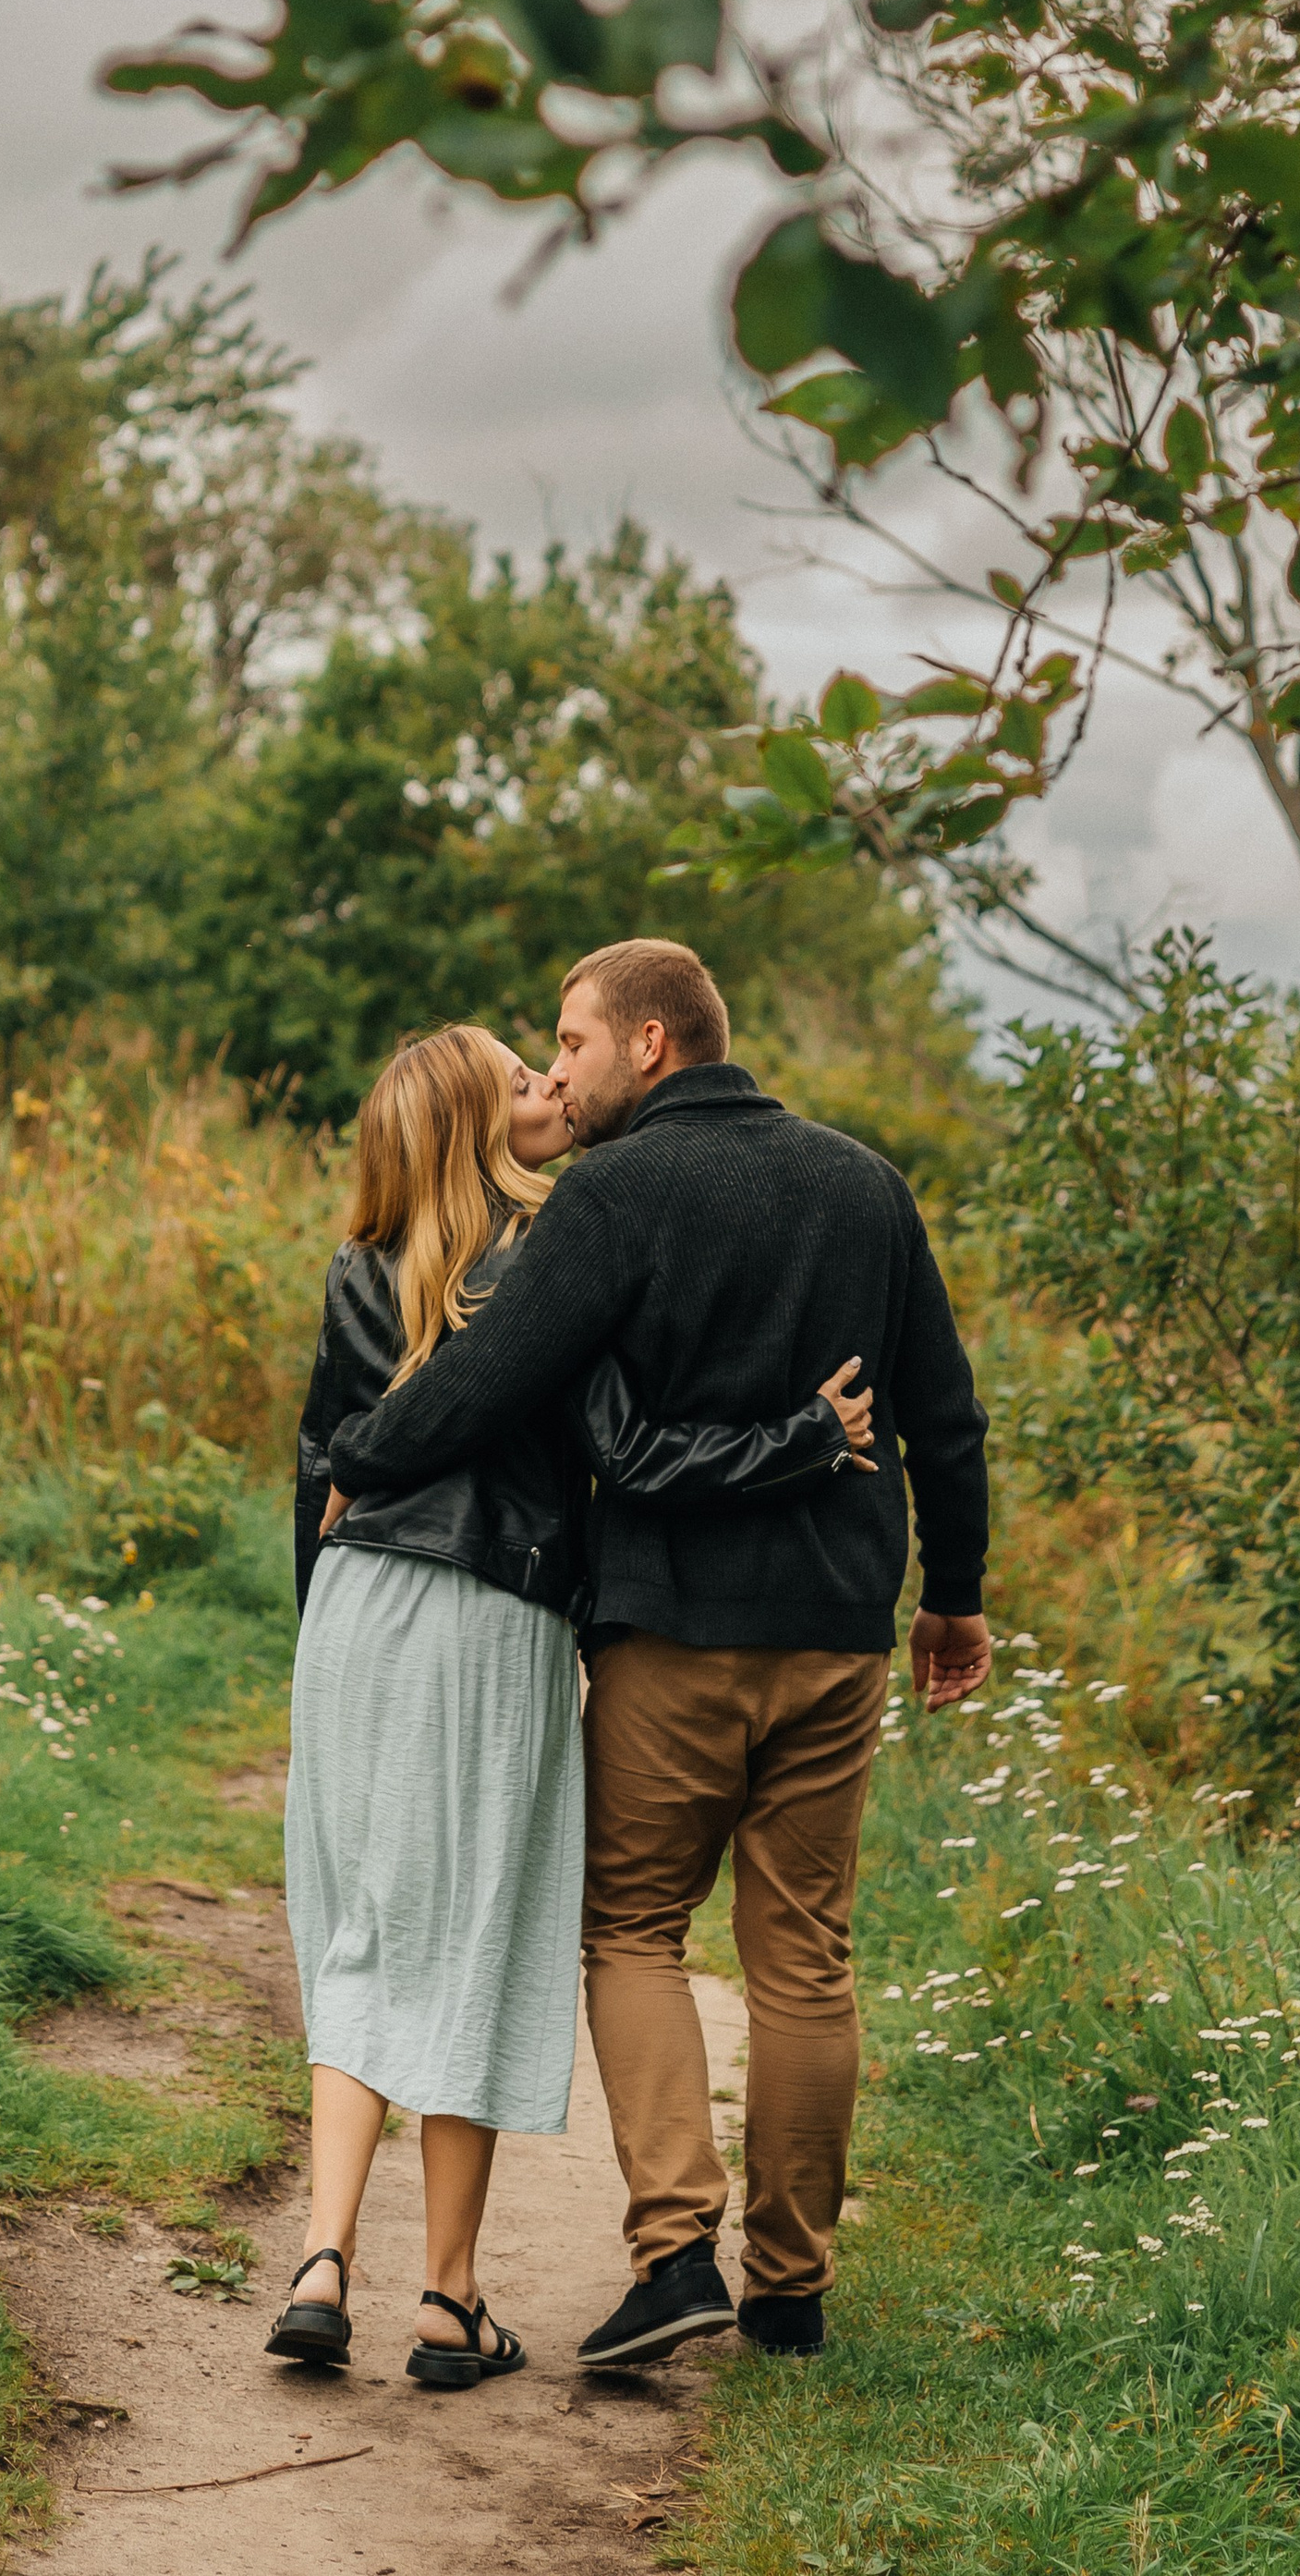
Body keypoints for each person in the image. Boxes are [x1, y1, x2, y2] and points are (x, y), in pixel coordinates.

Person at [328, 942, 991, 2366]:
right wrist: (958, 1594)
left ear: (651, 1039)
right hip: (835, 1633)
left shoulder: (612, 1195)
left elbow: (489, 1378)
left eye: (569, 1041)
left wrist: (353, 1456)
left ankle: (674, 2252)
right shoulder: (869, 1186)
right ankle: (792, 2289)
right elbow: (948, 1411)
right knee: (804, 1952)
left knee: (633, 1928)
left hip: (672, 1636)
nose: (555, 1069)